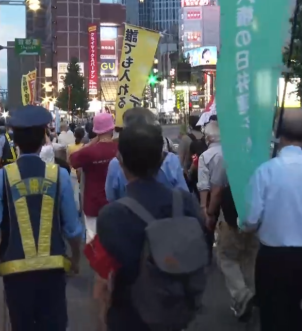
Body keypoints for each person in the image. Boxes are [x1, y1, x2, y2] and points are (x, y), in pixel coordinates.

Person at [0, 105, 83, 331]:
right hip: (53, 271)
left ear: (15, 142)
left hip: (16, 275)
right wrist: (76, 259)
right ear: (45, 139)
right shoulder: (59, 176)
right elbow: (73, 229)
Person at [96, 123, 209, 330]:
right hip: (175, 311)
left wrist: (102, 319)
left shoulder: (111, 216)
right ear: (161, 158)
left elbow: (104, 282)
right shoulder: (185, 202)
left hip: (128, 317)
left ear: (120, 160)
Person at [241, 111, 302, 331]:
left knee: (272, 312)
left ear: (278, 135)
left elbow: (251, 220)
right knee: (293, 304)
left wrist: (243, 223)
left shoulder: (266, 172)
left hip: (274, 254)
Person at [198, 121, 258, 319]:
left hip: (232, 218)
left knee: (227, 257)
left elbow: (216, 191)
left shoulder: (230, 159)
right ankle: (249, 295)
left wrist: (210, 214)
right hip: (255, 218)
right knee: (249, 258)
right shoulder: (260, 158)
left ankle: (242, 294)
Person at [106, 108, 188, 201]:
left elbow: (111, 197)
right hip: (167, 213)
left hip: (127, 213)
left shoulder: (116, 163)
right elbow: (184, 194)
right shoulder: (170, 160)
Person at [70, 114, 117, 243]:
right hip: (115, 202)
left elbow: (73, 159)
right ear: (111, 129)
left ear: (95, 131)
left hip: (93, 202)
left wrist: (91, 142)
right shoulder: (119, 149)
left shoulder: (89, 152)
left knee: (93, 240)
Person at [178, 115, 205, 195]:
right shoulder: (205, 137)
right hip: (204, 173)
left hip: (189, 173)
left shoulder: (185, 138)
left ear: (190, 126)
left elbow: (180, 158)